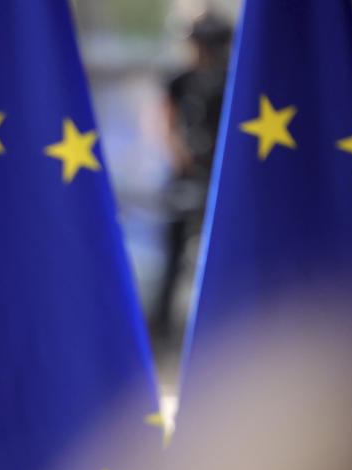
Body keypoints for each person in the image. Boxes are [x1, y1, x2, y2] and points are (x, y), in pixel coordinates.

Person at [153, 11, 232, 338]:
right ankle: (162, 326)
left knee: (222, 250)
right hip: (185, 175)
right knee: (173, 253)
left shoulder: (231, 79)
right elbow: (164, 120)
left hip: (219, 177)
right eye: (200, 43)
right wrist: (177, 152)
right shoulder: (180, 79)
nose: (204, 51)